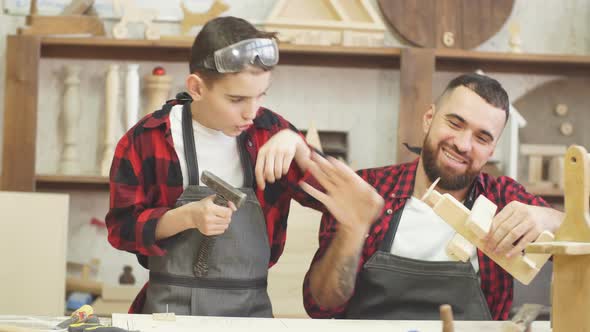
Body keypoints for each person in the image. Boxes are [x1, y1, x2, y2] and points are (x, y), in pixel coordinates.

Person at [105, 16, 322, 317]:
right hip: (170, 314)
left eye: (261, 95)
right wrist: (185, 217)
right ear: (196, 87)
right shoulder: (148, 138)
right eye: (236, 99)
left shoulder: (270, 132)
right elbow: (121, 229)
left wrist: (300, 147)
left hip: (251, 314)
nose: (251, 112)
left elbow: (335, 197)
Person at [300, 73, 564, 320]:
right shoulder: (368, 188)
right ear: (429, 118)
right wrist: (352, 230)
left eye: (482, 138)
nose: (462, 144)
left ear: (492, 149)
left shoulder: (503, 199)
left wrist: (549, 218)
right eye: (455, 123)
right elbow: (321, 306)